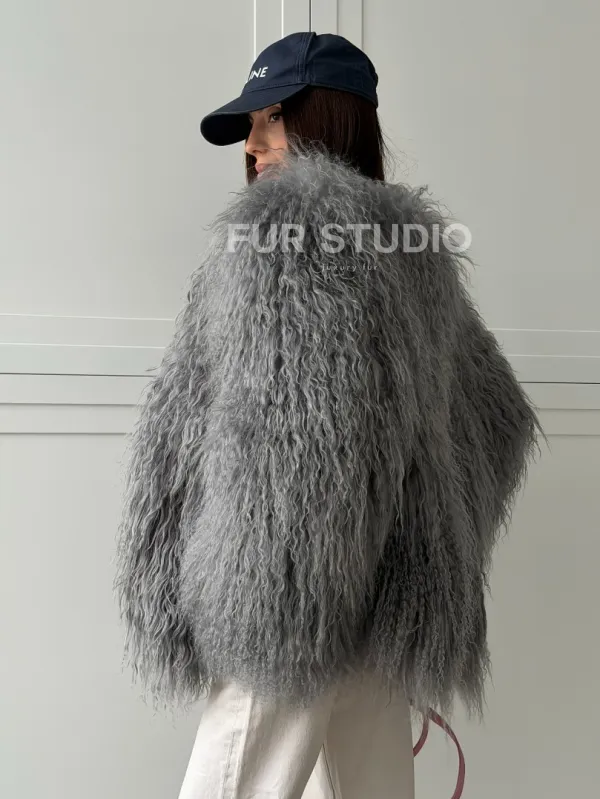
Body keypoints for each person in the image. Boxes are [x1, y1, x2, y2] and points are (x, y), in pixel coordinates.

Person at [113, 32, 545, 799]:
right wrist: (411, 538)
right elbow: (494, 414)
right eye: (250, 126)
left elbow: (294, 453)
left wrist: (285, 581)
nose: (252, 146)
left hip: (286, 601)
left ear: (328, 118)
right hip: (379, 611)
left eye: (272, 118)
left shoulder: (293, 239)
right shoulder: (411, 253)